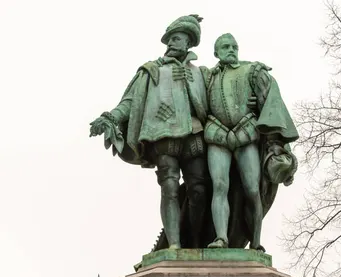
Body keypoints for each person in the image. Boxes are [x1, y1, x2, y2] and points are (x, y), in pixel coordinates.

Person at [89, 15, 210, 249]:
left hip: (195, 134)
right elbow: (130, 102)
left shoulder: (201, 73)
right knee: (170, 188)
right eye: (170, 39)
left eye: (177, 38)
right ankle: (174, 244)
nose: (172, 43)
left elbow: (214, 106)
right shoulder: (151, 70)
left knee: (199, 189)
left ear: (189, 43)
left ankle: (196, 241)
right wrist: (110, 117)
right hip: (163, 136)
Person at [205, 33, 298, 250]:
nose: (231, 49)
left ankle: (255, 243)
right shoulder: (207, 77)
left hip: (246, 134)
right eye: (225, 47)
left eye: (234, 46)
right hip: (216, 135)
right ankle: (221, 238)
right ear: (216, 52)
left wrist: (284, 152)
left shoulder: (253, 71)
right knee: (219, 186)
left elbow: (273, 111)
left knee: (253, 189)